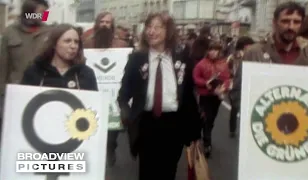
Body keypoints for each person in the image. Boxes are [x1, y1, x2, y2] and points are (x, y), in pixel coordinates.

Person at [117, 12, 201, 180]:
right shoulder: (137, 59)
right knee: (147, 172)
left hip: (174, 124)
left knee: (168, 171)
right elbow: (123, 94)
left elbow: (189, 95)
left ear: (168, 31)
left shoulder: (182, 57)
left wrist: (195, 132)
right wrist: (127, 116)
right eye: (148, 27)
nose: (151, 31)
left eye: (157, 27)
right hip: (146, 124)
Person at [230, 2, 308, 113]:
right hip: (263, 123)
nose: (291, 27)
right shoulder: (254, 53)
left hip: (299, 123)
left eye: (296, 22)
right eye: (285, 21)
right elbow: (237, 93)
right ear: (274, 23)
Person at [82, 11, 129, 167]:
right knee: (93, 124)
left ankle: (111, 147)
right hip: (92, 89)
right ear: (97, 23)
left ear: (112, 25)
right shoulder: (87, 43)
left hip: (113, 92)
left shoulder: (121, 45)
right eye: (102, 22)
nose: (104, 25)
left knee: (112, 126)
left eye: (107, 22)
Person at [0, 0, 51, 137]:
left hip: (42, 91)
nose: (43, 16)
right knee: (13, 133)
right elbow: (3, 66)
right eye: (40, 13)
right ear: (29, 12)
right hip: (15, 92)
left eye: (45, 13)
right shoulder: (10, 32)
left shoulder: (49, 33)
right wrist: (3, 94)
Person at [20, 24, 98, 91]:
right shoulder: (34, 72)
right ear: (54, 44)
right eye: (67, 41)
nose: (73, 46)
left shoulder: (86, 74)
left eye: (76, 42)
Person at [193, 42, 231, 157]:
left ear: (219, 52)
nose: (212, 52)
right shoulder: (201, 64)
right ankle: (207, 142)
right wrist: (205, 83)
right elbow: (196, 78)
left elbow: (227, 78)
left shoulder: (223, 64)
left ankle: (205, 135)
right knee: (206, 118)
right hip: (205, 95)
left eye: (215, 50)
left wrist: (224, 86)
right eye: (211, 50)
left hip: (217, 96)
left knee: (212, 118)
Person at [227, 36, 254, 137]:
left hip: (248, 85)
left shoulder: (253, 56)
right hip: (235, 85)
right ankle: (232, 129)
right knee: (234, 110)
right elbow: (227, 70)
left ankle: (245, 132)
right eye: (246, 47)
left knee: (246, 110)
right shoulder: (233, 57)